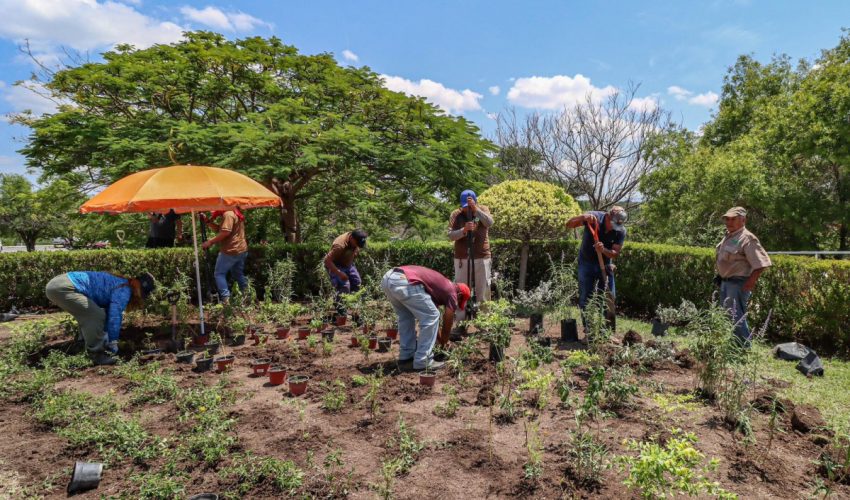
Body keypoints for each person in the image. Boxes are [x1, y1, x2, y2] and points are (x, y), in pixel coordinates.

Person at [45, 271, 156, 365]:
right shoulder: (125, 289)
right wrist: (112, 343)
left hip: (59, 283)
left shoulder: (120, 283)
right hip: (65, 287)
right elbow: (114, 317)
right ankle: (97, 355)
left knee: (89, 312)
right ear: (136, 282)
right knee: (95, 315)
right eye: (141, 289)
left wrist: (108, 339)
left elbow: (109, 316)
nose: (138, 293)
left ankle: (81, 345)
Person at [381, 265, 470, 372]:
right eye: (459, 302)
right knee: (432, 315)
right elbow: (447, 322)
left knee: (406, 317)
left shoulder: (439, 290)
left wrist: (441, 340)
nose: (455, 305)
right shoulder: (453, 291)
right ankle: (423, 360)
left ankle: (406, 357)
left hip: (389, 278)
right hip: (404, 281)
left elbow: (434, 324)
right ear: (459, 294)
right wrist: (444, 344)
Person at [715, 206, 771, 346]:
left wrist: (750, 282)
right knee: (727, 316)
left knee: (736, 316)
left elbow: (762, 263)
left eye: (733, 219)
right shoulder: (730, 236)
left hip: (738, 283)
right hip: (726, 282)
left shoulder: (747, 238)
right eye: (727, 219)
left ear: (743, 220)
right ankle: (733, 346)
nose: (729, 222)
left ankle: (744, 348)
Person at [566, 206, 628, 325]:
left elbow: (615, 253)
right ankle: (588, 331)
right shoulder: (594, 217)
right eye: (612, 224)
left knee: (609, 298)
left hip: (605, 265)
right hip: (586, 263)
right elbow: (568, 224)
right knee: (585, 297)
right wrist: (582, 217)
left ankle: (607, 332)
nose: (614, 228)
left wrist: (603, 250)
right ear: (608, 217)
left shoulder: (621, 230)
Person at [447, 189, 494, 323]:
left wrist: (476, 210)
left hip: (482, 257)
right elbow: (450, 236)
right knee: (461, 291)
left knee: (483, 291)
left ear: (475, 202)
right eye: (464, 207)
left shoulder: (483, 209)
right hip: (462, 258)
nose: (466, 209)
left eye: (468, 206)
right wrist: (464, 230)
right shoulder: (456, 214)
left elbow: (489, 223)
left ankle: (483, 323)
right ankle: (460, 322)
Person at [202, 208, 249, 301]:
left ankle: (225, 300)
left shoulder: (228, 214)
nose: (213, 210)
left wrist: (210, 242)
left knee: (219, 274)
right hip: (241, 250)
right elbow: (220, 229)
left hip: (230, 251)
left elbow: (225, 232)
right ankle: (247, 295)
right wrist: (207, 221)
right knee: (238, 274)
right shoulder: (234, 212)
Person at [324, 230, 367, 317]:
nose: (357, 246)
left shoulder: (356, 238)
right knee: (344, 286)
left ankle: (353, 306)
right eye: (357, 243)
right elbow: (327, 261)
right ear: (351, 238)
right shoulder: (339, 245)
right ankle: (341, 309)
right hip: (335, 265)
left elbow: (355, 249)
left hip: (348, 264)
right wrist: (339, 273)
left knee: (357, 282)